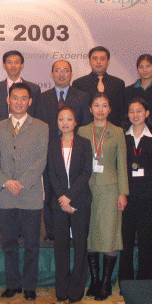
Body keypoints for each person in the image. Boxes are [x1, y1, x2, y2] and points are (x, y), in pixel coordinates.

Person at [0, 83, 48, 301]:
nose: (19, 102)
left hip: (31, 193)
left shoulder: (41, 127)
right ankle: (13, 284)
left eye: (23, 98)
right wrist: (6, 182)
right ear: (8, 100)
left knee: (31, 244)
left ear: (30, 101)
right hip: (6, 194)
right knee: (8, 243)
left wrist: (22, 183)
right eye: (14, 98)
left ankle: (29, 286)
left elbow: (41, 160)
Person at [77, 92, 128, 300]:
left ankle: (106, 283)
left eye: (104, 105)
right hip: (87, 188)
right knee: (90, 234)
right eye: (96, 105)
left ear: (110, 109)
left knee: (109, 235)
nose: (100, 109)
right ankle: (95, 281)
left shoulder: (117, 132)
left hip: (110, 189)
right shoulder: (82, 130)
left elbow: (122, 163)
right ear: (90, 109)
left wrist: (123, 192)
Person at [39, 59, 91, 241]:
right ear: (52, 74)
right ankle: (52, 231)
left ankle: (75, 229)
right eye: (57, 70)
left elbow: (85, 125)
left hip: (74, 152)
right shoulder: (42, 97)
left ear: (71, 74)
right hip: (51, 152)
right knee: (51, 190)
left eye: (65, 70)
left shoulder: (82, 96)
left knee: (75, 188)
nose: (61, 74)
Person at [46, 106, 92, 303]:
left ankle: (77, 288)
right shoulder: (52, 144)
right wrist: (62, 198)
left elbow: (86, 172)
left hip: (80, 200)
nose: (65, 122)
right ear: (57, 122)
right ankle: (62, 287)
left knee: (80, 246)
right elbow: (51, 174)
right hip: (58, 202)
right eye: (61, 119)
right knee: (61, 246)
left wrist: (70, 196)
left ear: (75, 122)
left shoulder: (84, 143)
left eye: (69, 119)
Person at [118, 98, 152, 284]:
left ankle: (146, 281)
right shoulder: (122, 137)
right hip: (126, 197)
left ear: (147, 113)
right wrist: (120, 193)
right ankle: (126, 281)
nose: (135, 115)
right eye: (131, 111)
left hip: (148, 197)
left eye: (139, 111)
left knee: (146, 241)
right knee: (126, 241)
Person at [73, 46, 125, 127]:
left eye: (102, 59)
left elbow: (121, 113)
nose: (98, 62)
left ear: (108, 62)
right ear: (89, 62)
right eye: (95, 59)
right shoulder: (79, 84)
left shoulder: (118, 84)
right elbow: (77, 114)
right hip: (86, 130)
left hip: (112, 130)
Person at [0, 50, 41, 122]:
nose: (13, 65)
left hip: (27, 127)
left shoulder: (34, 89)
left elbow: (37, 115)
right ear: (4, 65)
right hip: (1, 128)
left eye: (16, 62)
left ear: (22, 66)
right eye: (9, 62)